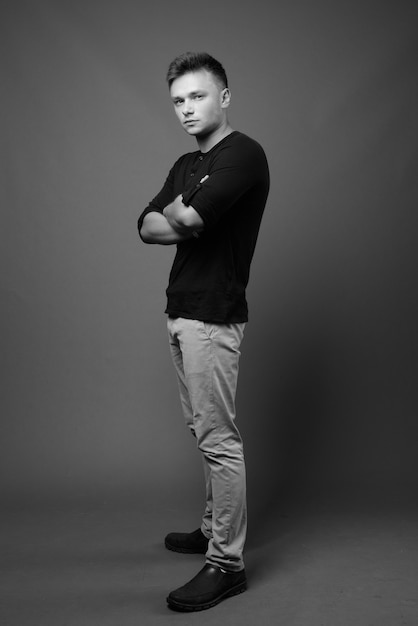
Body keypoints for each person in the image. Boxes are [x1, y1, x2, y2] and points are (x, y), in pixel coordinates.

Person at [138, 51, 270, 612]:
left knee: (220, 440)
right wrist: (186, 208)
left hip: (214, 314)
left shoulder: (244, 155)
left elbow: (184, 220)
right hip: (180, 309)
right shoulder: (187, 164)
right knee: (202, 430)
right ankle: (212, 527)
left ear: (224, 96)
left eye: (196, 96)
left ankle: (226, 563)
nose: (187, 109)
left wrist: (184, 215)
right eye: (178, 101)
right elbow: (146, 227)